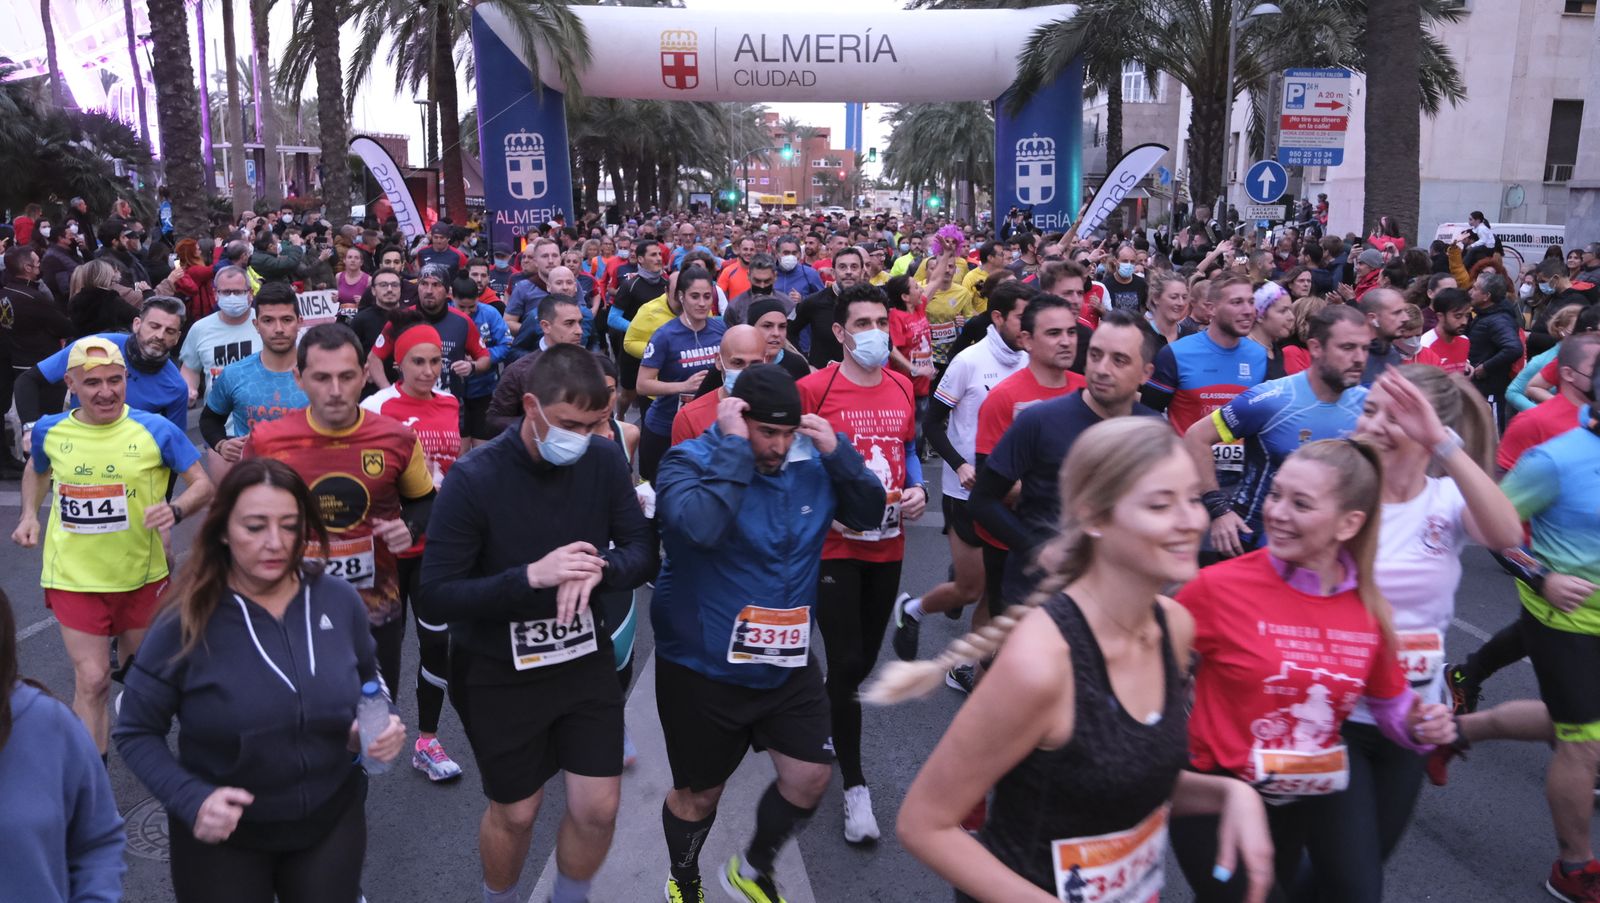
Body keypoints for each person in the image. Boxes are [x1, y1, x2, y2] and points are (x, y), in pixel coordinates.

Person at [874, 418, 1273, 903]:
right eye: (1160, 503)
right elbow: (924, 824)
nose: (1190, 520)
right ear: (1095, 517)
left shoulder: (1173, 627)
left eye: (1191, 498)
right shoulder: (1041, 662)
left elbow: (1133, 773)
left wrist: (1231, 794)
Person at [417, 344, 656, 903]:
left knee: (598, 807)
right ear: (531, 405)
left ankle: (568, 897)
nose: (586, 436)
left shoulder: (601, 459)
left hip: (581, 657)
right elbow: (437, 594)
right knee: (519, 812)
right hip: (498, 669)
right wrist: (531, 577)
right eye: (572, 424)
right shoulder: (476, 478)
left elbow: (643, 551)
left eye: (598, 423)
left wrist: (601, 568)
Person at [1170, 439, 1456, 901]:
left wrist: (1421, 721)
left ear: (1350, 523)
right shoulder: (1217, 587)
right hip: (1215, 797)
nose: (1277, 512)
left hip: (1298, 797)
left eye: (1301, 504)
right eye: (1277, 494)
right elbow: (1141, 661)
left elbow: (1391, 704)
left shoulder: (1366, 607)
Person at [114, 458, 403, 903]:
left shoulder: (338, 599)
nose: (274, 543)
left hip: (329, 818)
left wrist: (372, 728)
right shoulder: (186, 619)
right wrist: (189, 797)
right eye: (255, 526)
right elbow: (135, 731)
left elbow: (370, 682)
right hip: (223, 837)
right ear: (224, 530)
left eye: (290, 526)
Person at [653, 364, 886, 903]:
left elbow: (869, 513)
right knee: (700, 795)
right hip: (704, 667)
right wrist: (736, 451)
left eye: (788, 433)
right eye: (767, 432)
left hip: (787, 659)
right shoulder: (689, 461)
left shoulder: (813, 464)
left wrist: (838, 453)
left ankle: (751, 870)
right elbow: (701, 530)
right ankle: (684, 880)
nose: (779, 446)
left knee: (809, 776)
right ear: (738, 417)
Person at [1295, 366, 1522, 902]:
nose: (1370, 423)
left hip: (1415, 722)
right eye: (1368, 409)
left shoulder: (1444, 501)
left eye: (1392, 416)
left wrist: (1443, 444)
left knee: (1353, 869)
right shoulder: (1336, 494)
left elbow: (1508, 534)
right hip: (1335, 718)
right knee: (1357, 888)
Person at [11, 337, 213, 757]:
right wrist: (29, 514)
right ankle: (91, 793)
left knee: (146, 679)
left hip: (141, 575)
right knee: (93, 679)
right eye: (93, 383)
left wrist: (174, 512)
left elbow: (203, 485)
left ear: (127, 379)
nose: (106, 391)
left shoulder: (155, 429)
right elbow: (37, 468)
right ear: (71, 383)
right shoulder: (52, 429)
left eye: (115, 380)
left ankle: (145, 743)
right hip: (74, 577)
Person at [242, 324, 436, 698]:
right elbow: (239, 519)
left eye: (346, 377)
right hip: (289, 607)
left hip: (374, 607)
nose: (334, 391)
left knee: (373, 723)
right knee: (300, 724)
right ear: (299, 378)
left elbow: (424, 500)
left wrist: (409, 527)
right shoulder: (269, 440)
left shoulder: (396, 439)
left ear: (364, 376)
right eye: (321, 377)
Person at [797, 282, 925, 843]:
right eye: (863, 324)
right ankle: (854, 785)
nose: (874, 332)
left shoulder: (900, 384)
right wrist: (820, 512)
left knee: (859, 664)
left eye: (881, 322)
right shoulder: (813, 389)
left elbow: (910, 449)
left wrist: (919, 490)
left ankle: (829, 715)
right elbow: (790, 464)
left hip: (888, 544)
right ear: (840, 333)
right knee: (846, 662)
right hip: (835, 548)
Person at [1484, 364, 1600, 901]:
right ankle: (1573, 867)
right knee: (1583, 746)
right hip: (1567, 623)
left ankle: (1456, 728)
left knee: (1567, 724)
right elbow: (1493, 527)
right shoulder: (1554, 459)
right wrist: (1542, 577)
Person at [894, 282, 1030, 659]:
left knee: (996, 591)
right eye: (1023, 317)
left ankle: (972, 668)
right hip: (967, 490)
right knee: (970, 590)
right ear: (999, 317)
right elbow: (934, 424)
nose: (1029, 326)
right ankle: (912, 609)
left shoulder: (1030, 359)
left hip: (1015, 492)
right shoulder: (969, 360)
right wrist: (960, 464)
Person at [359, 318, 465, 782]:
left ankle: (427, 740)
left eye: (435, 361)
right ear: (398, 363)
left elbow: (454, 470)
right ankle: (371, 733)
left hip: (435, 548)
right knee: (381, 649)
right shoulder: (378, 406)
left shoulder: (451, 402)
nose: (427, 371)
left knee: (437, 644)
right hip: (383, 551)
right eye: (417, 362)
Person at [1187, 305, 1372, 558]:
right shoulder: (1272, 399)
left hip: (1324, 550)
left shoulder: (1369, 406)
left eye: (1365, 348)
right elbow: (1197, 436)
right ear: (1316, 348)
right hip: (1251, 544)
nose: (1360, 358)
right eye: (1348, 348)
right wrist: (1218, 511)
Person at [2, 580, 128, 902]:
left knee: (101, 677)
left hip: (132, 571)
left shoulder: (44, 722)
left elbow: (98, 841)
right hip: (75, 573)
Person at [1144, 274, 1269, 499]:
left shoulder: (1259, 356)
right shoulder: (1176, 354)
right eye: (1237, 302)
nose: (1248, 310)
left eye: (1251, 302)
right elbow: (1148, 415)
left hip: (1240, 486)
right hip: (1187, 483)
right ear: (1211, 308)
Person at [199, 283, 307, 472]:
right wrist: (221, 444)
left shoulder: (320, 374)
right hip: (254, 485)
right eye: (268, 321)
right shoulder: (235, 374)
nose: (278, 329)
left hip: (309, 484)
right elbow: (209, 419)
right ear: (256, 325)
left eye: (287, 319)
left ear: (300, 322)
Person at [636, 267, 726, 482]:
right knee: (658, 491)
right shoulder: (665, 335)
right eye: (695, 296)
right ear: (681, 297)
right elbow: (643, 385)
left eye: (707, 296)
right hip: (664, 426)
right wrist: (683, 386)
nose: (702, 303)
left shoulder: (720, 330)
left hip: (706, 428)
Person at [367, 264, 491, 401]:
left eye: (436, 285)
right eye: (424, 284)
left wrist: (472, 366)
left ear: (447, 292)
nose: (429, 290)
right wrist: (388, 393)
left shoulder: (462, 322)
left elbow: (485, 358)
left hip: (449, 406)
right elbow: (374, 358)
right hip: (409, 406)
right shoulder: (402, 319)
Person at [670, 324, 765, 445]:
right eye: (737, 363)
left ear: (765, 361)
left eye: (755, 364)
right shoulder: (688, 418)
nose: (746, 373)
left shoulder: (779, 405)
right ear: (719, 361)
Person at [179, 266, 259, 409]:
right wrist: (189, 389)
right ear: (216, 294)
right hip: (218, 421)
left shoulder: (264, 323)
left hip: (263, 418)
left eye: (238, 292)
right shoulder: (200, 329)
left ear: (250, 293)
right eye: (226, 292)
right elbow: (190, 368)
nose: (232, 297)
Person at [450, 275, 513, 445]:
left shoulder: (490, 314)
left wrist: (481, 357)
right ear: (451, 297)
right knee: (459, 449)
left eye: (472, 307)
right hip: (452, 392)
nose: (466, 312)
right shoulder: (444, 314)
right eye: (461, 307)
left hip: (484, 389)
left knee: (481, 447)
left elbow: (506, 344)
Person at [1464, 270, 1522, 428]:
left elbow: (1514, 348)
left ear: (1486, 296)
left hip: (1490, 391)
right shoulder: (1485, 315)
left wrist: (1486, 367)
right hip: (1481, 388)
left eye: (1475, 288)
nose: (1470, 291)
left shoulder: (1498, 320)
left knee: (1492, 436)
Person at [1418, 287, 1472, 374]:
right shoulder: (1425, 345)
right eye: (1458, 316)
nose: (1464, 322)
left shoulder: (1465, 341)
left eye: (1467, 315)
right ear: (1440, 316)